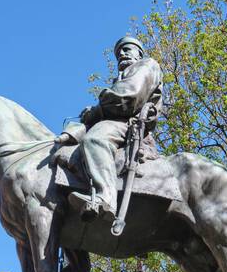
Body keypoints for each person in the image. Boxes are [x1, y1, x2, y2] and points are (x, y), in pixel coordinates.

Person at [60, 36, 164, 221]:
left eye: (127, 49)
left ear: (139, 53)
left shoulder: (147, 65)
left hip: (128, 124)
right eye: (119, 53)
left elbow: (128, 97)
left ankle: (105, 197)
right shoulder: (121, 77)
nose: (122, 54)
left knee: (95, 140)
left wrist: (97, 110)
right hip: (115, 122)